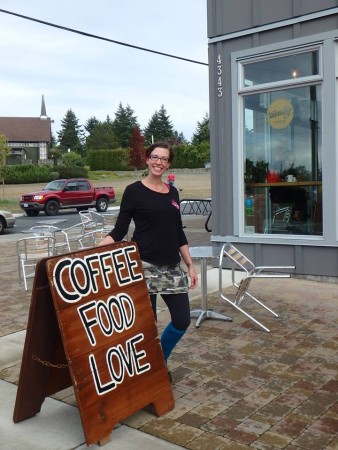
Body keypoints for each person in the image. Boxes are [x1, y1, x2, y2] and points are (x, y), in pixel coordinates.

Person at [100, 142, 198, 377]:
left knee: (182, 319)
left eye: (164, 159)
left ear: (169, 164)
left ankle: (158, 360)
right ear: (146, 159)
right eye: (155, 157)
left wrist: (190, 265)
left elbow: (178, 232)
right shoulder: (134, 191)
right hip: (143, 266)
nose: (158, 162)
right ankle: (147, 374)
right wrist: (97, 247)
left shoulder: (172, 192)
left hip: (172, 267)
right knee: (148, 326)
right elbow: (120, 230)